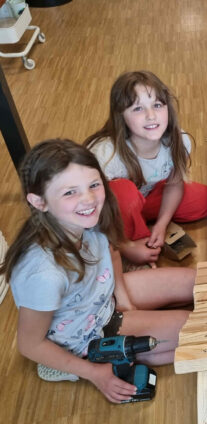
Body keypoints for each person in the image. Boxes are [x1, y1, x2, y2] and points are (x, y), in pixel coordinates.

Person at [0, 139, 196, 403]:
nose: (89, 199)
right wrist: (94, 373)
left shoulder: (92, 216)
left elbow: (111, 251)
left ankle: (131, 340)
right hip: (87, 331)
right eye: (70, 192)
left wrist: (124, 301)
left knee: (198, 282)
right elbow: (29, 344)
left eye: (94, 185)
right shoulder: (44, 274)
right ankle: (73, 362)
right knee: (197, 331)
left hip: (103, 294)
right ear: (39, 201)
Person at [85, 71, 207, 267]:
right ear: (121, 116)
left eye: (157, 105)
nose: (151, 116)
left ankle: (140, 222)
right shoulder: (104, 156)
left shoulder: (179, 140)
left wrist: (161, 225)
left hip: (146, 199)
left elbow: (174, 184)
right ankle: (131, 234)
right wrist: (125, 246)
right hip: (110, 211)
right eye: (138, 108)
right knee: (125, 193)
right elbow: (91, 211)